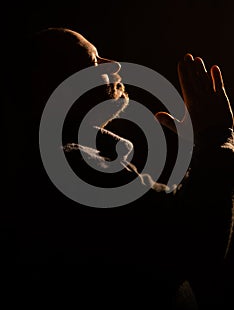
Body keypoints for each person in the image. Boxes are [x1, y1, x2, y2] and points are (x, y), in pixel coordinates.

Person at [13, 27, 234, 308]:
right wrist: (217, 137)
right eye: (94, 61)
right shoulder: (76, 167)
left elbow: (177, 221)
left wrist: (204, 151)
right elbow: (195, 245)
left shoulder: (61, 167)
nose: (114, 65)